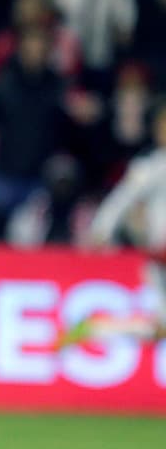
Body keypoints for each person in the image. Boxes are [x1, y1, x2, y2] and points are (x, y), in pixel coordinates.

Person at [63, 103, 166, 346]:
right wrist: (102, 229)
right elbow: (122, 198)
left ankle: (94, 328)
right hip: (161, 257)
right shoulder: (152, 166)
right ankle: (94, 328)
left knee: (161, 328)